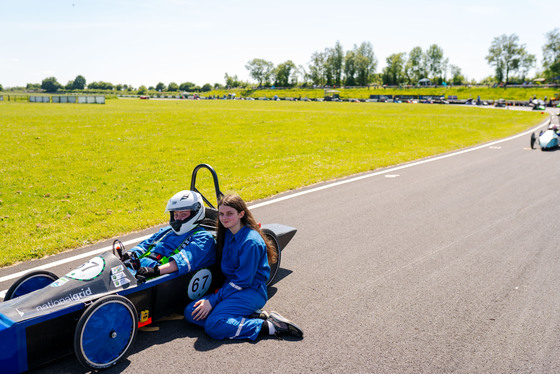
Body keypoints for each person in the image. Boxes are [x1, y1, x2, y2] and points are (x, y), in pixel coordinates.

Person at [184, 194, 303, 340]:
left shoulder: (250, 242)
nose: (224, 218)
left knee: (213, 325)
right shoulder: (228, 233)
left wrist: (213, 300)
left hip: (251, 291)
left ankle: (271, 327)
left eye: (229, 213)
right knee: (191, 311)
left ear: (241, 214)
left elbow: (243, 281)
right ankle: (248, 316)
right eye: (221, 214)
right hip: (231, 289)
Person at [122, 190, 215, 278]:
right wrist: (129, 255)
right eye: (176, 215)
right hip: (139, 268)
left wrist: (154, 271)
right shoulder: (167, 230)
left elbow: (182, 261)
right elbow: (145, 244)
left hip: (159, 275)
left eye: (183, 214)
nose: (178, 219)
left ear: (196, 213)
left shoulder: (203, 237)